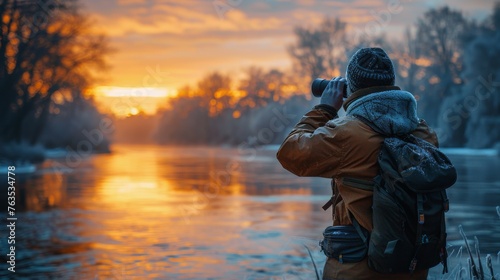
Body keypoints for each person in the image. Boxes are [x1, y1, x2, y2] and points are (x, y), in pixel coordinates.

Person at [276, 47, 438, 280]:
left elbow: (290, 153)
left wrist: (325, 109)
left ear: (351, 87)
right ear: (391, 84)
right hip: (412, 268)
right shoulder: (421, 132)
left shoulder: (347, 134)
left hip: (357, 270)